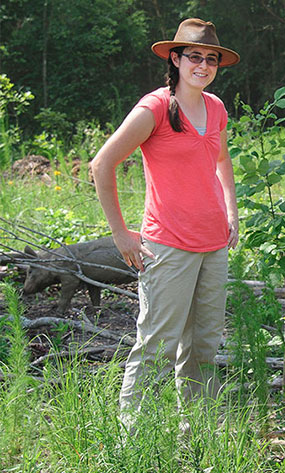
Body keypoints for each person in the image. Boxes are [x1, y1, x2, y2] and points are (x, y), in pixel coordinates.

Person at [91, 18, 240, 431]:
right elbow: (102, 164)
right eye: (195, 56)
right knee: (157, 346)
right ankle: (133, 443)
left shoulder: (216, 108)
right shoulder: (155, 108)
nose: (203, 65)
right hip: (168, 246)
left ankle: (196, 436)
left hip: (214, 245)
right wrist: (121, 233)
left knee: (204, 346)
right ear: (175, 59)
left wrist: (232, 211)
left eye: (211, 58)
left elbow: (222, 161)